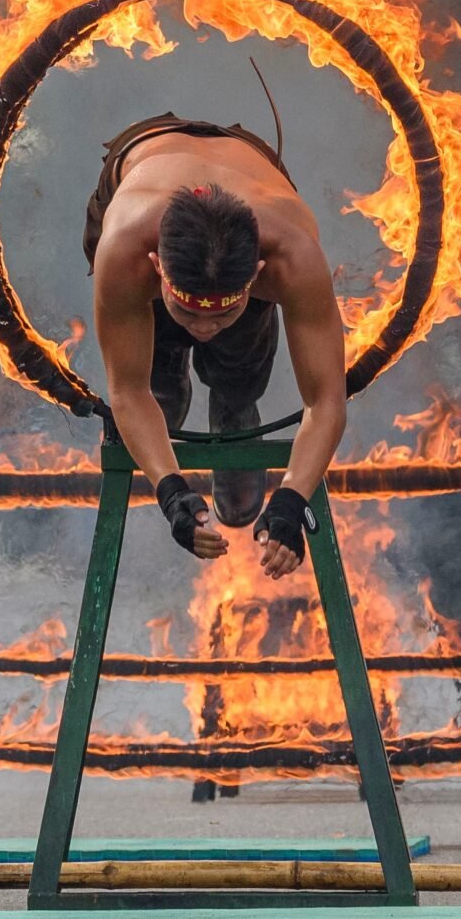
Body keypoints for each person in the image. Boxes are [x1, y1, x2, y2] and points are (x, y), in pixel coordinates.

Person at [78, 113, 337, 587]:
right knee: (157, 392)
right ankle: (170, 378)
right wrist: (170, 492)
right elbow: (127, 392)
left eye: (221, 312)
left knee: (239, 373)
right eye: (189, 311)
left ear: (258, 274)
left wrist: (292, 499)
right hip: (142, 166)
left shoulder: (293, 258)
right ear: (157, 267)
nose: (204, 327)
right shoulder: (126, 252)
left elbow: (325, 400)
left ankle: (236, 409)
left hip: (254, 176)